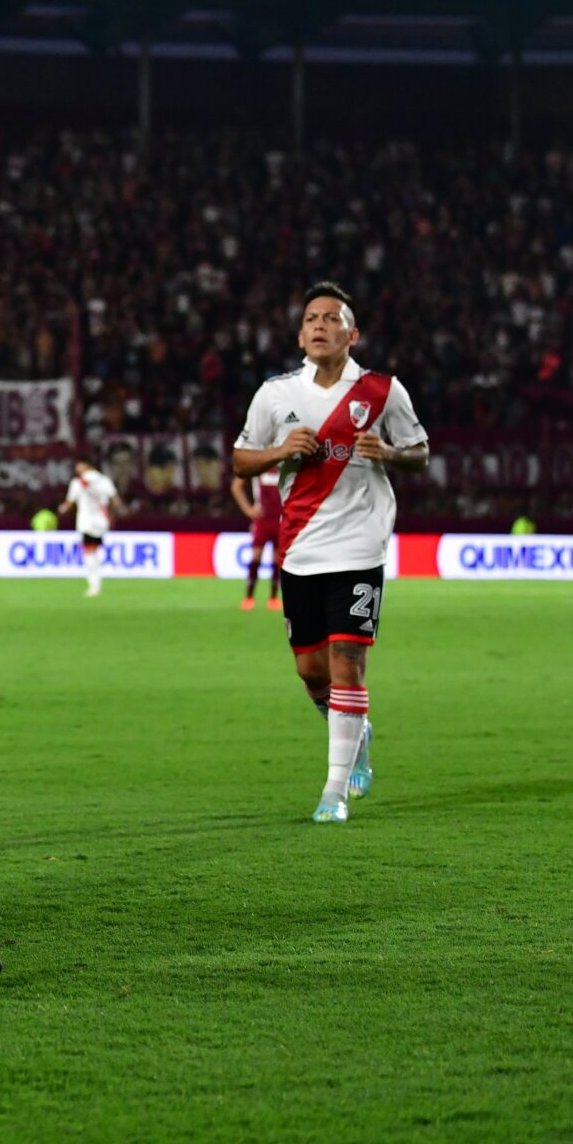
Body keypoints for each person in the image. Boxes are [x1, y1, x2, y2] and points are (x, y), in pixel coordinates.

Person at [232, 283, 430, 824]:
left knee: (349, 661)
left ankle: (333, 791)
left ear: (352, 333)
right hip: (300, 548)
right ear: (301, 335)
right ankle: (356, 732)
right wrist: (280, 450)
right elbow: (241, 461)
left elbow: (421, 452)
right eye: (311, 318)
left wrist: (388, 451)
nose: (320, 325)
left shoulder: (383, 391)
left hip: (361, 544)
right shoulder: (276, 394)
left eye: (331, 318)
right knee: (311, 671)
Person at [62, 457, 118, 597]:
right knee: (94, 549)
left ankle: (94, 584)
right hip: (101, 520)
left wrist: (61, 509)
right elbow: (115, 500)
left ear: (84, 465)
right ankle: (96, 581)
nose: (76, 469)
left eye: (78, 465)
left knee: (89, 552)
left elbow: (69, 503)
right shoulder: (104, 480)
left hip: (87, 521)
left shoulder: (77, 482)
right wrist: (113, 517)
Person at [229, 467, 283, 611]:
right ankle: (249, 597)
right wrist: (248, 510)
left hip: (280, 518)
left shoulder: (283, 464)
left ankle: (273, 598)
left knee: (278, 559)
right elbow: (236, 486)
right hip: (262, 519)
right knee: (256, 556)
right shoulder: (260, 464)